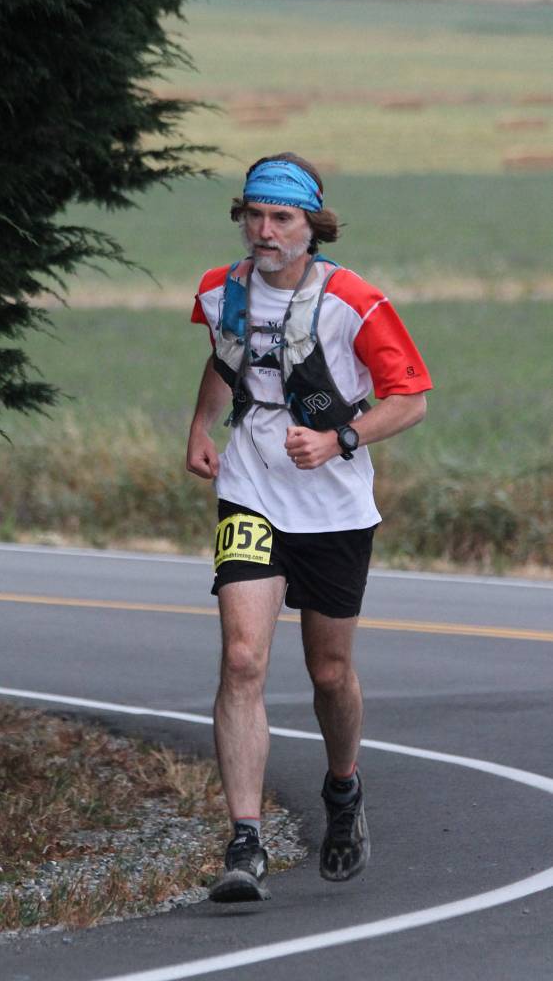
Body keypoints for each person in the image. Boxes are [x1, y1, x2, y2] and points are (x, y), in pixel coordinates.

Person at [186, 152, 432, 903]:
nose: (264, 231)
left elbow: (410, 397)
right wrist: (201, 424)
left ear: (311, 225)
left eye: (281, 218)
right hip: (250, 488)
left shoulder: (354, 303)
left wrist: (338, 439)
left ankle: (343, 788)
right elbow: (225, 362)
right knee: (242, 659)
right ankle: (246, 842)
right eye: (254, 216)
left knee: (328, 673)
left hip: (332, 504)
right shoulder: (220, 290)